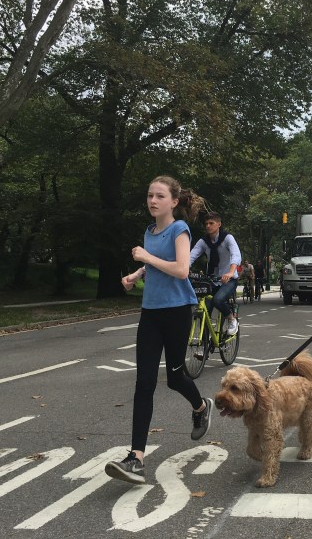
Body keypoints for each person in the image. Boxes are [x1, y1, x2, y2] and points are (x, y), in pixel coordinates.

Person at [105, 176, 213, 485]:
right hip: (151, 313)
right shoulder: (149, 232)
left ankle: (202, 406)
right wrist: (136, 273)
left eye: (160, 196)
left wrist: (145, 257)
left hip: (178, 312)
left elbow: (181, 269)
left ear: (174, 202)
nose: (153, 200)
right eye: (150, 195)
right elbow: (155, 264)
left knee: (176, 377)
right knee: (145, 383)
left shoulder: (180, 229)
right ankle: (136, 459)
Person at [190, 212, 242, 335]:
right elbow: (192, 255)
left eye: (211, 223)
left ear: (219, 224)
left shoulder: (227, 238)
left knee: (218, 300)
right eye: (206, 223)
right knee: (204, 310)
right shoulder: (204, 241)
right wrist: (184, 268)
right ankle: (205, 344)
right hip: (212, 280)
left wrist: (230, 272)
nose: (208, 226)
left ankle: (231, 319)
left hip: (228, 279)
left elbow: (236, 254)